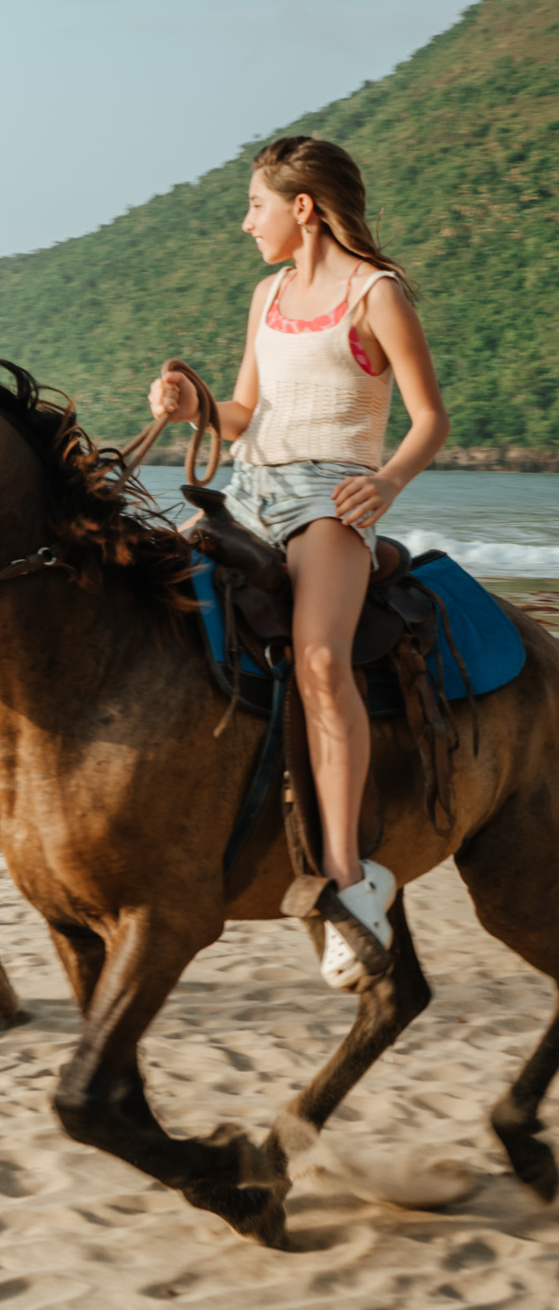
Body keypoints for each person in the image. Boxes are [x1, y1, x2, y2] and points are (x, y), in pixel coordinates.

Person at [148, 136, 449, 990]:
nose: (247, 223)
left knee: (320, 662)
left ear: (303, 209)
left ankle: (349, 882)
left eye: (255, 206)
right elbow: (243, 415)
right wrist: (191, 403)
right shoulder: (267, 294)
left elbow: (429, 417)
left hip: (331, 495)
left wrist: (385, 483)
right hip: (247, 488)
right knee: (146, 602)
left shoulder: (374, 294)